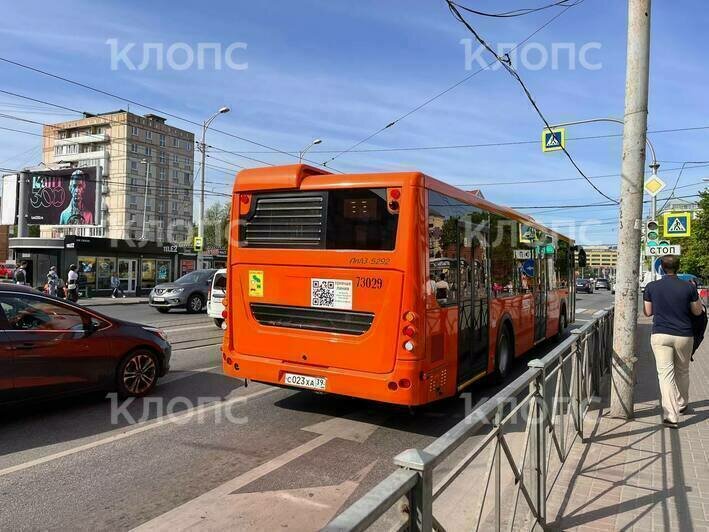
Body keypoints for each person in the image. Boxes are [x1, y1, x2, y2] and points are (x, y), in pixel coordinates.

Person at [643, 255, 705, 428]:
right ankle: (682, 403)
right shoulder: (688, 287)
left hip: (660, 335)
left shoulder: (651, 286)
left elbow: (648, 312)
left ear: (661, 268)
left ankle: (671, 415)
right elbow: (698, 312)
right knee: (683, 371)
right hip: (684, 335)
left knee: (665, 375)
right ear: (678, 267)